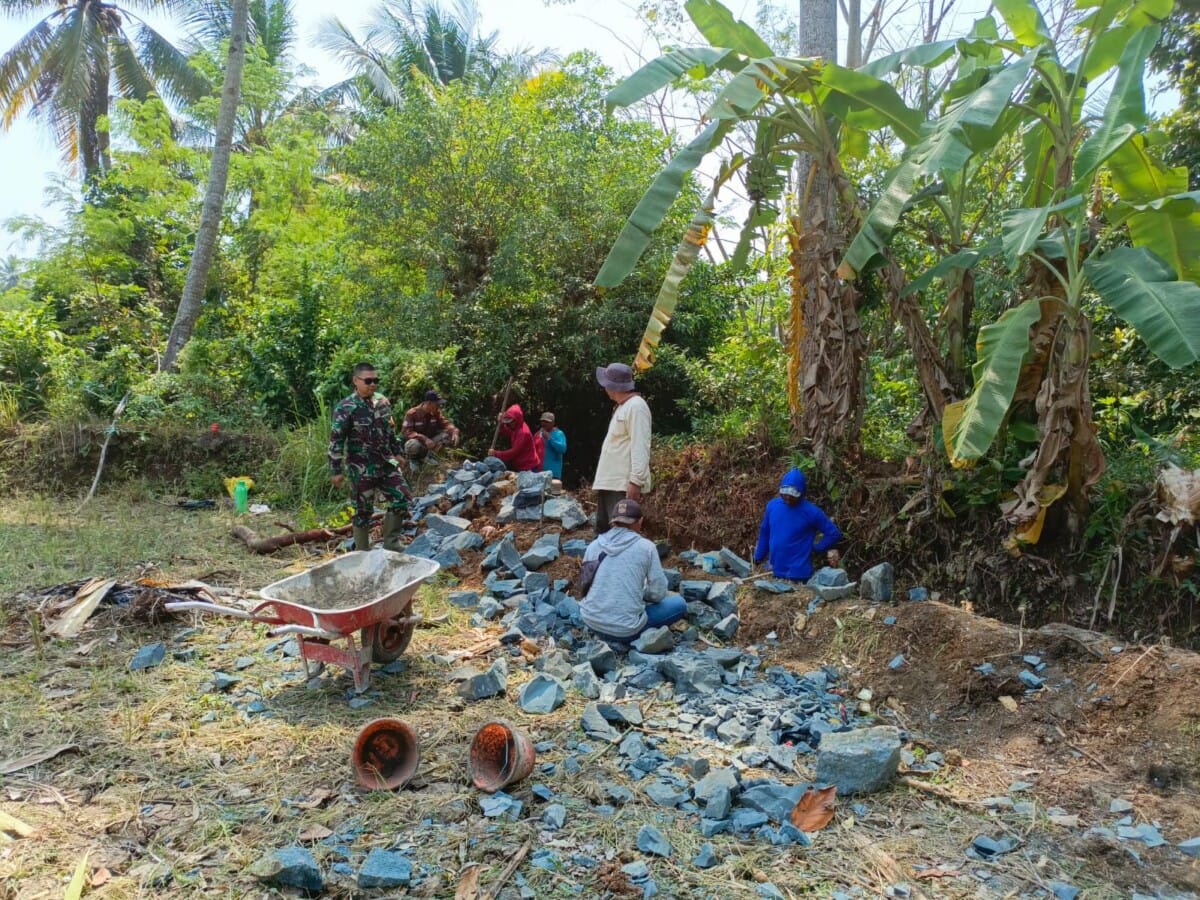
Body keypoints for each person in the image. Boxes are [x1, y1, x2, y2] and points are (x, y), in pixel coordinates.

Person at [329, 362, 414, 553]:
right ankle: (362, 551)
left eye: (376, 380)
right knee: (362, 511)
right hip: (361, 468)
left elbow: (390, 431)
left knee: (402, 497)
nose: (373, 384)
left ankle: (391, 542)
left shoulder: (383, 402)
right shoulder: (346, 407)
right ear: (355, 381)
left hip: (386, 463)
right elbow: (336, 440)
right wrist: (335, 470)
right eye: (368, 381)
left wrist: (398, 453)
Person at [580, 498, 685, 643]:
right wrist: (641, 593)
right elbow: (658, 594)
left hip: (591, 621)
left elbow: (584, 585)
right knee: (679, 604)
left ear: (613, 521)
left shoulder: (594, 545)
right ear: (640, 521)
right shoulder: (647, 548)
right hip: (625, 631)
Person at [592, 361, 652, 534]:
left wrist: (635, 481)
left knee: (619, 534)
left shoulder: (637, 406)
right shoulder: (623, 407)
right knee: (604, 532)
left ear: (613, 386)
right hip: (610, 482)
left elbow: (641, 445)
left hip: (621, 484)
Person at [753, 468, 842, 582]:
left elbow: (833, 534)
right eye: (785, 493)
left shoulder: (811, 512)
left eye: (793, 494)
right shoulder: (773, 506)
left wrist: (817, 548)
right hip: (774, 570)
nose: (788, 497)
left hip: (798, 574)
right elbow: (765, 532)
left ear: (801, 493)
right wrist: (758, 557)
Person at [401, 390, 460, 460]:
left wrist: (454, 431)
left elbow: (445, 423)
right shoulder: (412, 413)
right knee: (412, 445)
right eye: (437, 404)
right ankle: (415, 460)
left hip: (433, 442)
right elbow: (406, 432)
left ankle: (433, 457)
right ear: (429, 403)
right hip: (419, 442)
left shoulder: (436, 412)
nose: (439, 406)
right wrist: (424, 439)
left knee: (450, 435)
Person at [488, 404, 540, 472]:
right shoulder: (516, 427)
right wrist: (501, 424)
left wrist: (495, 453)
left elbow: (514, 452)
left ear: (517, 419)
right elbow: (507, 432)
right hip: (521, 466)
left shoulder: (523, 432)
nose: (509, 424)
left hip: (529, 466)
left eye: (511, 422)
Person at [536, 411, 567, 480]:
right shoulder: (538, 434)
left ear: (553, 423)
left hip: (553, 474)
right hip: (538, 472)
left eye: (547, 422)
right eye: (542, 421)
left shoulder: (558, 433)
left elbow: (562, 449)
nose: (544, 423)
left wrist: (549, 438)